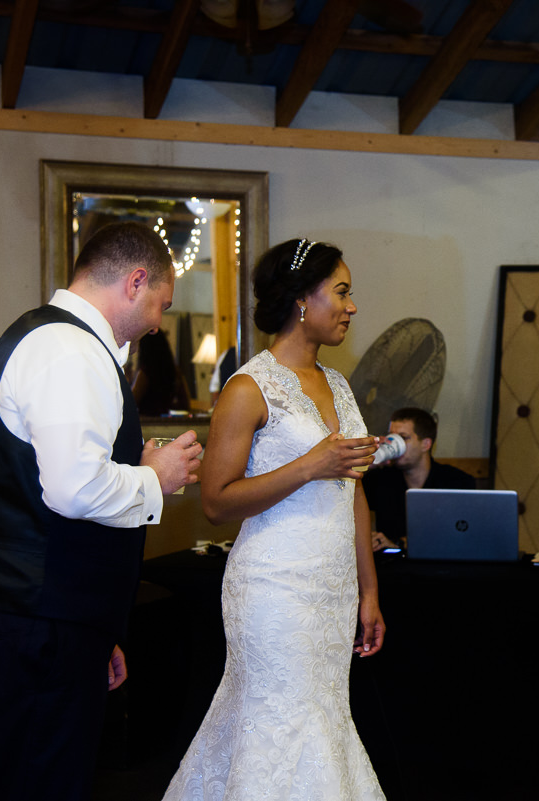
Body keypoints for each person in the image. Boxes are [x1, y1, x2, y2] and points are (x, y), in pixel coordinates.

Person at [0, 221, 203, 801]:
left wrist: (95, 631)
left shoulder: (45, 338)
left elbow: (43, 482)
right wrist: (157, 478)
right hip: (31, 623)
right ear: (135, 281)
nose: (158, 321)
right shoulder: (72, 350)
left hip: (35, 615)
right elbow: (75, 491)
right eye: (162, 303)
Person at [162, 238, 387, 800]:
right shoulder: (248, 388)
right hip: (273, 591)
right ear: (300, 300)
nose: (352, 306)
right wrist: (311, 466)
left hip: (331, 593)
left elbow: (354, 493)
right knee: (281, 725)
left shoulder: (338, 385)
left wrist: (369, 589)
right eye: (341, 292)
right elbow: (215, 502)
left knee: (324, 722)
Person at [362, 407, 476, 551]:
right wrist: (368, 463)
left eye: (403, 438)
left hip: (438, 565)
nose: (394, 443)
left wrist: (399, 543)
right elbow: (345, 504)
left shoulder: (457, 482)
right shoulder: (380, 479)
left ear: (426, 444)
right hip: (392, 567)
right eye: (391, 436)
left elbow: (461, 535)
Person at [132, 328, 192, 415]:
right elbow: (185, 403)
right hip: (166, 421)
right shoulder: (175, 372)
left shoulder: (145, 373)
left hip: (147, 423)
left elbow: (132, 401)